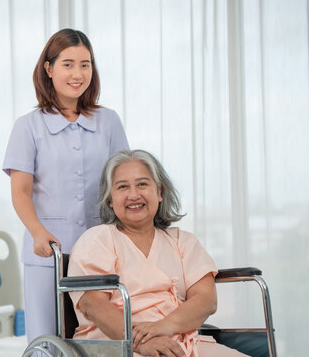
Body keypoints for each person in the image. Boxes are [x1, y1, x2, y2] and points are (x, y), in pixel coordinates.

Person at [2, 28, 129, 342]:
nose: (78, 73)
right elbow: (20, 191)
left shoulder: (108, 121)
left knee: (102, 336)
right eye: (68, 64)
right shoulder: (28, 126)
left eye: (85, 64)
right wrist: (37, 231)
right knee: (49, 337)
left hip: (103, 249)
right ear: (49, 68)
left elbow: (123, 180)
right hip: (49, 252)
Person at [68, 150, 248, 357]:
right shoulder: (97, 239)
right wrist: (137, 341)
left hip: (182, 342)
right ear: (110, 199)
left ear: (159, 192)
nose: (134, 195)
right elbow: (93, 304)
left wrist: (162, 327)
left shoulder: (183, 241)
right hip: (116, 345)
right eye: (122, 187)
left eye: (142, 184)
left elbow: (206, 300)